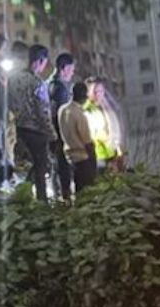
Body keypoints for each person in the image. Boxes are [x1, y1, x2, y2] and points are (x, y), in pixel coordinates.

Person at [8, 44, 55, 202]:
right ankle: (42, 202)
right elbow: (43, 112)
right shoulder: (37, 82)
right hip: (36, 132)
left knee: (23, 167)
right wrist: (52, 135)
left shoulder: (13, 79)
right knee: (41, 169)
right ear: (40, 61)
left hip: (18, 130)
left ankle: (22, 197)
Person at [59, 81, 97, 194]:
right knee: (86, 190)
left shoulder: (62, 110)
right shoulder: (79, 113)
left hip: (68, 155)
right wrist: (93, 157)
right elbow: (86, 139)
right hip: (82, 156)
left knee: (76, 186)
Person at [49, 53, 76, 199]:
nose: (72, 73)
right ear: (63, 68)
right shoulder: (59, 89)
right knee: (62, 166)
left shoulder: (50, 84)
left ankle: (59, 194)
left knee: (57, 166)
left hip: (53, 133)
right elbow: (60, 114)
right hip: (59, 133)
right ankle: (64, 196)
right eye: (71, 69)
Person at [83, 77, 124, 172]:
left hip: (111, 151)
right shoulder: (87, 110)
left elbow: (114, 127)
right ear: (89, 92)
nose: (99, 94)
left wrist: (118, 147)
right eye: (95, 91)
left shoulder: (107, 106)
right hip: (98, 155)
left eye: (101, 91)